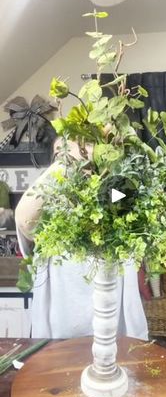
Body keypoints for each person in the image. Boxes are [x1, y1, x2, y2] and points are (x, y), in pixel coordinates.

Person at [15, 139, 148, 340]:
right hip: (61, 325)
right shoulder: (48, 206)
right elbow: (24, 219)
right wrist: (67, 161)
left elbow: (128, 198)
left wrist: (105, 162)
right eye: (59, 153)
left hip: (111, 324)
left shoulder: (112, 194)